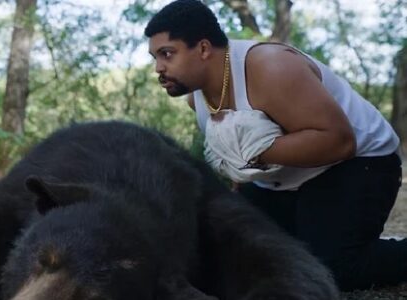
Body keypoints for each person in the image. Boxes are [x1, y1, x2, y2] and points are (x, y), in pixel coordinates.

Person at [144, 0, 405, 291]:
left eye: (167, 54)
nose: (158, 68)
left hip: (357, 163)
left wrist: (255, 152)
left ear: (204, 49)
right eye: (155, 57)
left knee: (334, 269)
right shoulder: (197, 99)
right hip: (280, 182)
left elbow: (340, 141)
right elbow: (237, 163)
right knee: (230, 253)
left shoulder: (271, 67)